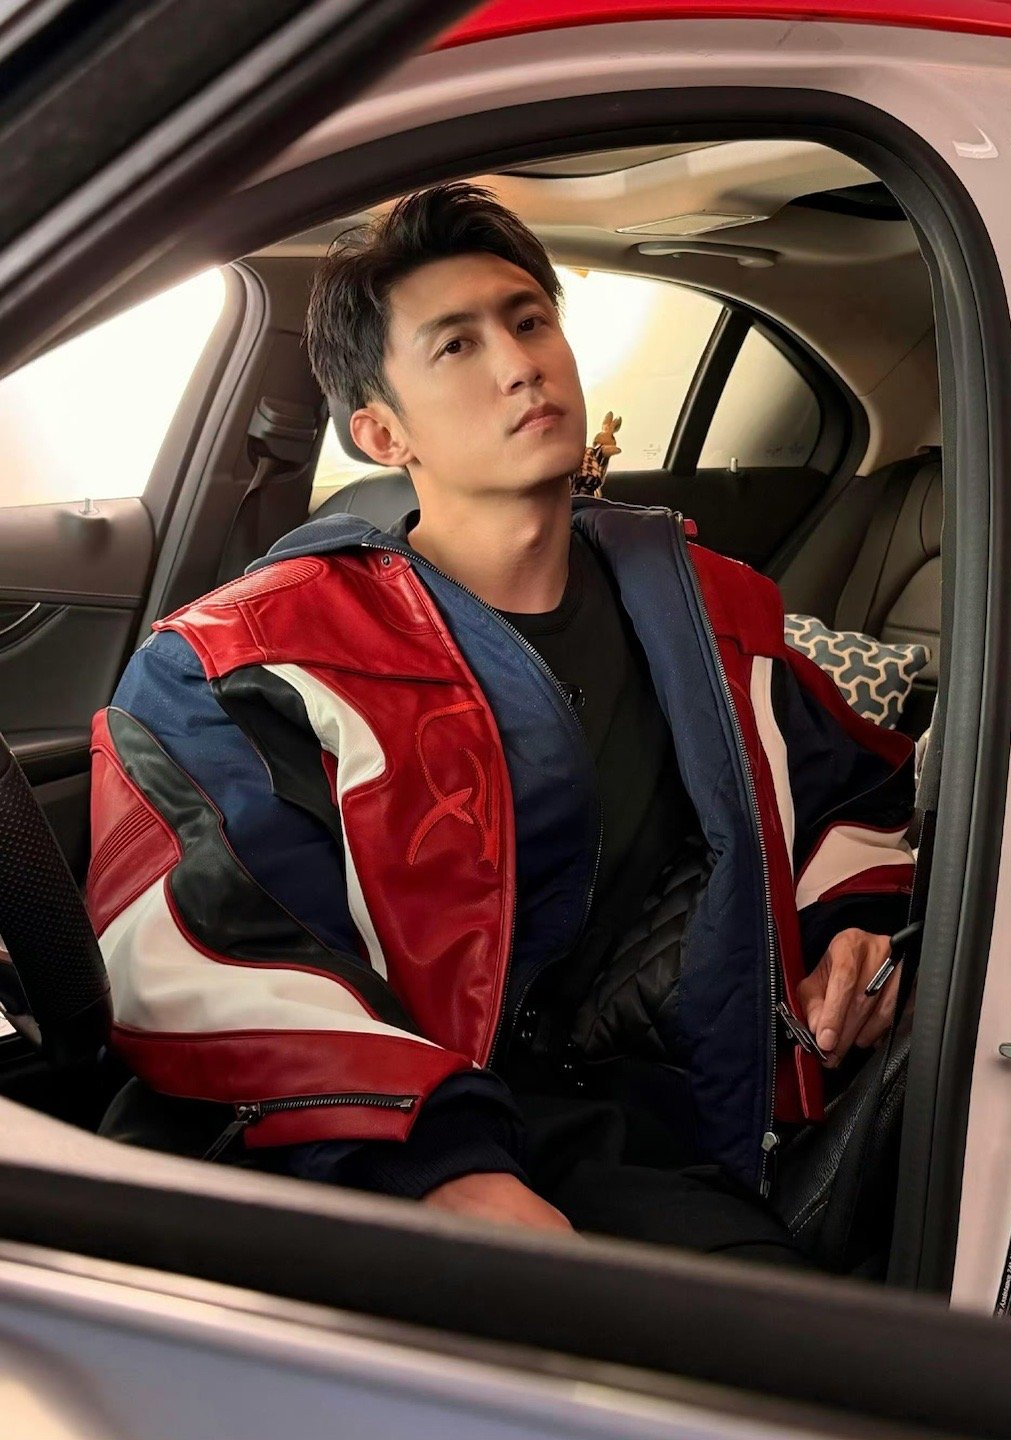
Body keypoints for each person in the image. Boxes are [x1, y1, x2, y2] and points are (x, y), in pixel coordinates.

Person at [89, 184, 915, 1265]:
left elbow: (863, 793)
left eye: (530, 321)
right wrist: (443, 1168)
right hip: (374, 1141)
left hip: (662, 1122)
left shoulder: (709, 611)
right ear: (381, 432)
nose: (521, 364)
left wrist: (850, 928)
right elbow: (209, 952)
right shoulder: (242, 660)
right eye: (457, 345)